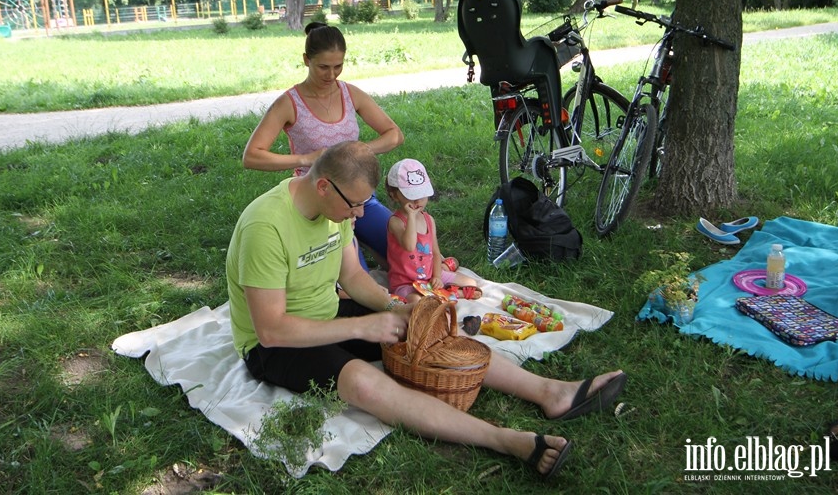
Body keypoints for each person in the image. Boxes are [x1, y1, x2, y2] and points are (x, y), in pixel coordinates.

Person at [227, 141, 628, 480]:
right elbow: (271, 330)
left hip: (329, 315)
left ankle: (550, 391)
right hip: (276, 347)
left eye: (366, 203)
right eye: (355, 205)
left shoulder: (337, 210)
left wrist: (398, 308)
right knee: (364, 383)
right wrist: (367, 327)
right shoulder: (266, 227)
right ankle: (503, 439)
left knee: (430, 332)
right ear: (322, 186)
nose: (361, 215)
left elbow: (352, 278)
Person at [242, 22, 403, 268]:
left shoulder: (351, 94)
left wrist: (356, 152)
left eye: (338, 66)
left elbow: (394, 134)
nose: (331, 75)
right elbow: (252, 156)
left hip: (360, 199)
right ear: (307, 60)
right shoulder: (289, 103)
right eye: (323, 67)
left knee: (408, 251)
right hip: (320, 203)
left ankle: (373, 247)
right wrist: (306, 159)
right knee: (354, 280)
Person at [385, 158, 479, 303]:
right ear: (394, 195)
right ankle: (447, 294)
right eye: (411, 196)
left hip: (429, 276)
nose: (417, 201)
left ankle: (445, 291)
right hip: (406, 282)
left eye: (421, 195)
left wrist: (437, 277)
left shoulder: (429, 220)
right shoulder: (396, 221)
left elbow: (435, 252)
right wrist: (411, 216)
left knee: (472, 283)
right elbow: (409, 246)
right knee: (418, 301)